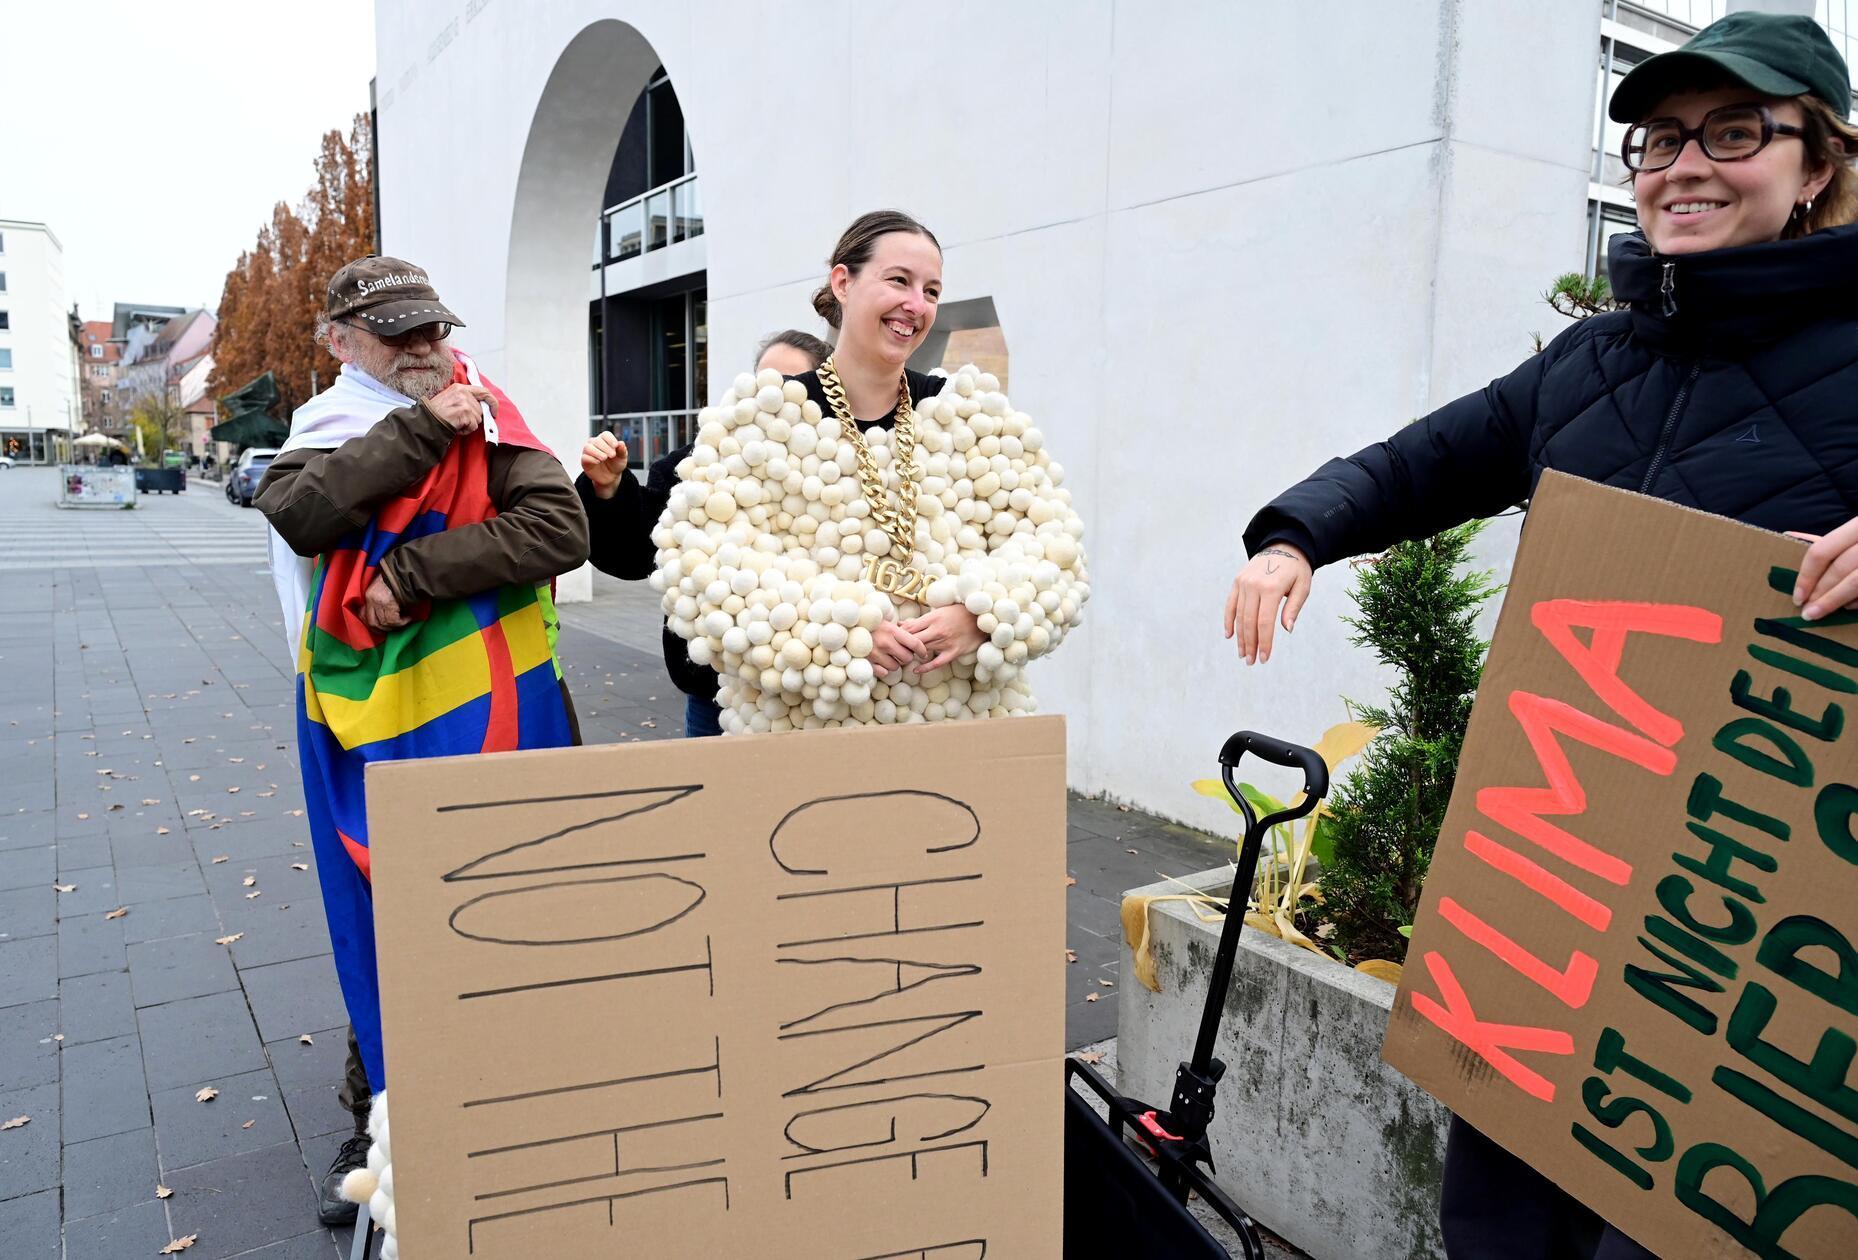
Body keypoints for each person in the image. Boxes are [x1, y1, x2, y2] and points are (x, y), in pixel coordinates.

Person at [1225, 13, 1858, 1259]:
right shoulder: (1589, 361)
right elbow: (1424, 461)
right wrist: (1295, 534)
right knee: (1501, 1223)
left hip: (1741, 928)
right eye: (1657, 137)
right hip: (1553, 885)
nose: (1683, 164)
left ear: (1817, 163)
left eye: (1734, 132)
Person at [255, 255, 589, 1226]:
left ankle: (526, 1095)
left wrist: (418, 569)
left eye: (433, 330)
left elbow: (557, 526)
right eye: (400, 334)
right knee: (383, 908)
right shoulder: (329, 430)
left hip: (500, 708)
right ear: (340, 343)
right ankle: (384, 1125)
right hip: (360, 720)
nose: (427, 350)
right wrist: (419, 431)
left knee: (515, 900)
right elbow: (302, 509)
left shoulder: (489, 413)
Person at [652, 210, 1090, 732]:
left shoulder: (974, 418)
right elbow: (701, 563)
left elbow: (1054, 545)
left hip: (962, 738)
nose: (916, 304)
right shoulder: (759, 423)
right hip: (801, 744)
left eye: (931, 290)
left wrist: (982, 615)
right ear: (843, 282)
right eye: (899, 281)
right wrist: (840, 630)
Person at [578, 329, 834, 736]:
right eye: (762, 380)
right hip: (717, 694)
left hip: (821, 694)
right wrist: (609, 490)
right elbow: (637, 555)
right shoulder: (695, 467)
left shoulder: (840, 472)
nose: (772, 394)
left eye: (792, 385)